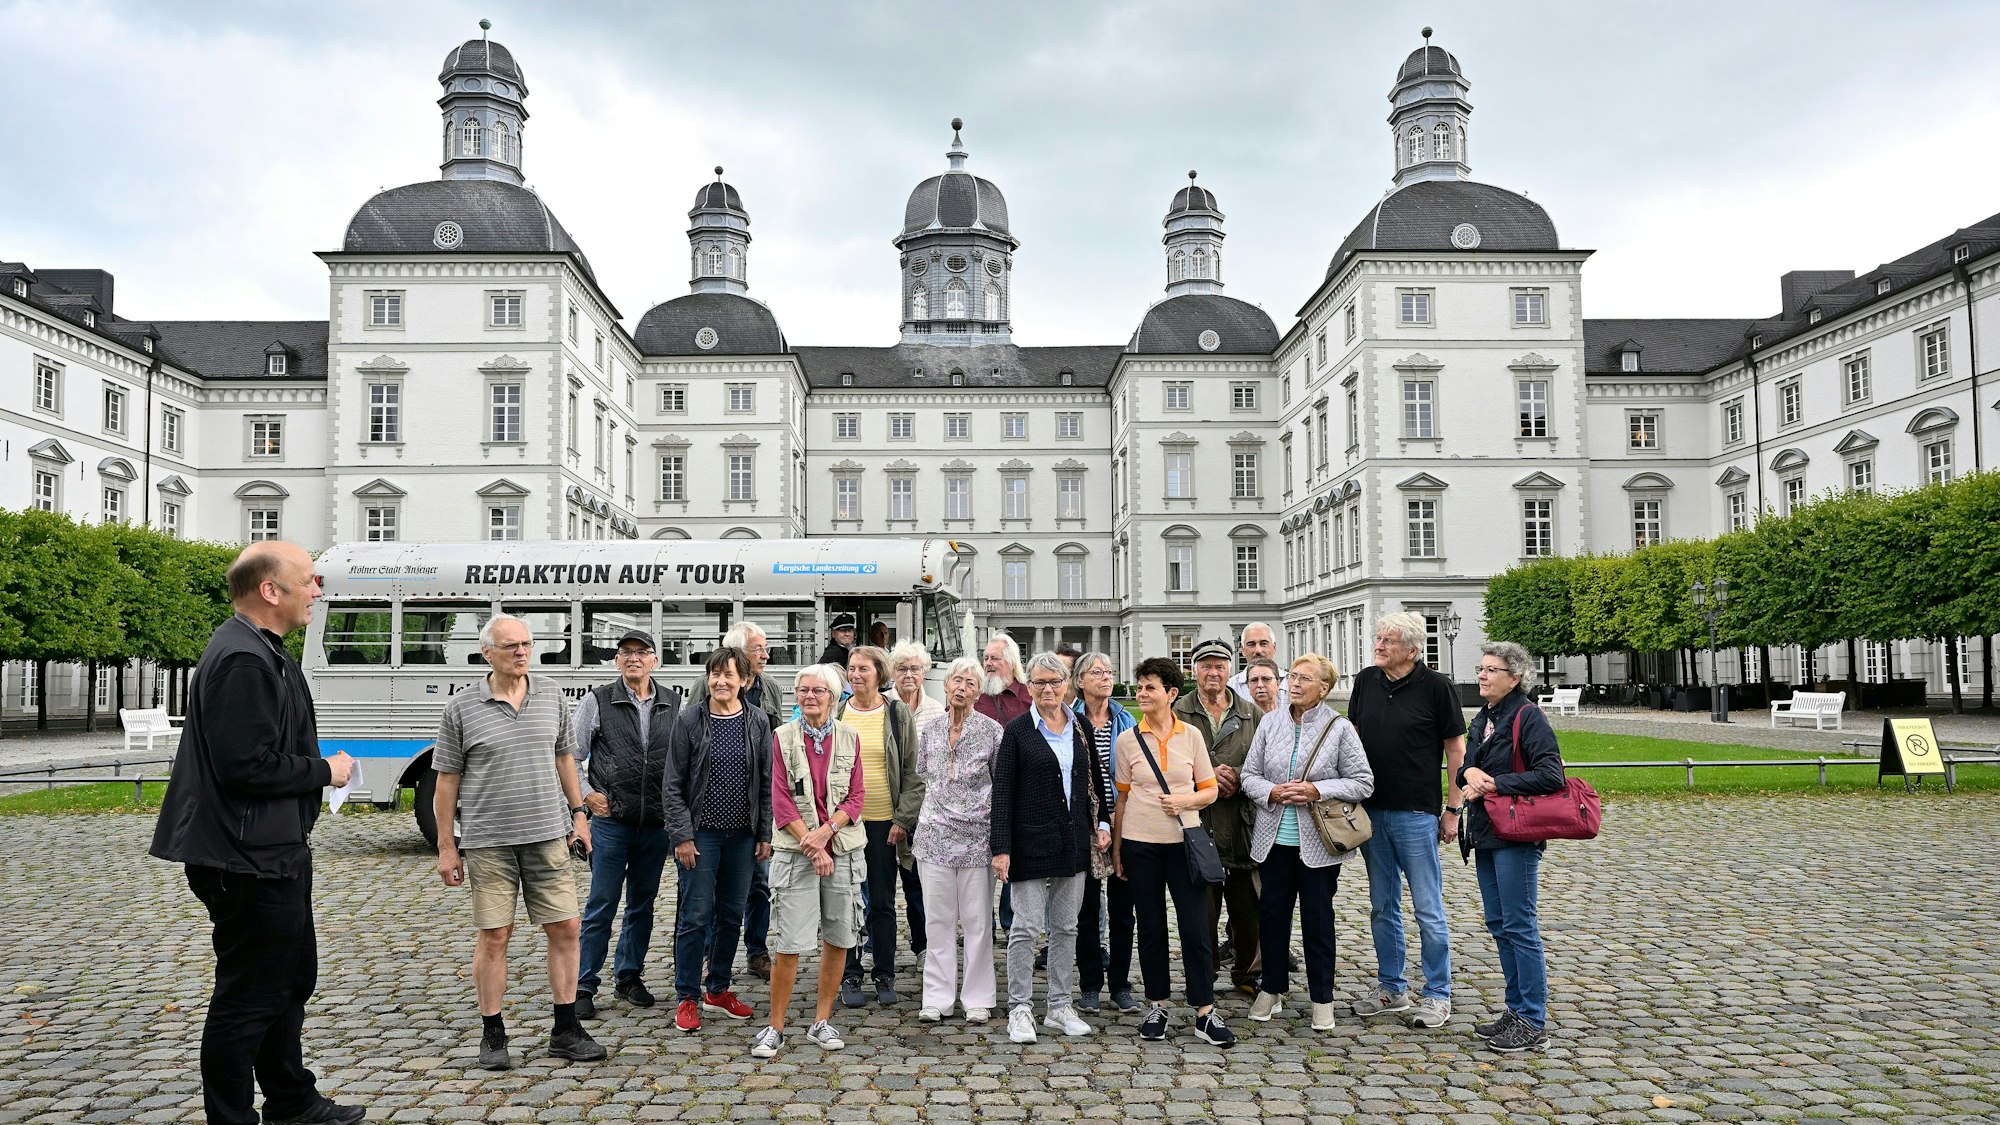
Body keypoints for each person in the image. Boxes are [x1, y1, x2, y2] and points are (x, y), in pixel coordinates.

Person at [149, 541, 363, 1125]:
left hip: (272, 848)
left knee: (291, 980)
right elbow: (246, 764)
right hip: (245, 855)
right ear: (271, 591)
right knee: (249, 997)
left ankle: (291, 1099)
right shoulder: (244, 657)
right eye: (310, 579)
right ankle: (232, 1116)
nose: (318, 588)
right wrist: (327, 771)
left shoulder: (263, 648)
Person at [431, 613, 605, 1070]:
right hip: (489, 841)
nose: (522, 652)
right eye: (511, 646)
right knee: (494, 935)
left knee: (566, 928)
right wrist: (447, 847)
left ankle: (566, 1028)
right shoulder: (462, 707)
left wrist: (579, 815)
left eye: (527, 644)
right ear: (487, 652)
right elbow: (446, 781)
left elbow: (566, 758)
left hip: (548, 834)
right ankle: (493, 1034)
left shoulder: (550, 695)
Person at [1346, 611, 1469, 1030]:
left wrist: (1453, 808)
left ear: (1413, 650)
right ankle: (1391, 988)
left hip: (1417, 813)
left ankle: (1437, 994)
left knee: (1428, 909)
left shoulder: (1436, 687)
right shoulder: (1366, 681)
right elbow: (1353, 740)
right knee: (1382, 907)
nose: (1378, 645)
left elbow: (1456, 750)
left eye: (1388, 641)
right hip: (1371, 811)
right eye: (1378, 638)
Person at [1241, 654, 1374, 1034]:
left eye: (1305, 679)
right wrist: (1270, 790)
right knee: (1272, 918)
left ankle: (1322, 998)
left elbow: (1363, 782)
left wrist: (1317, 789)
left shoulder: (1340, 728)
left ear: (1324, 689)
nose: (1294, 684)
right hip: (1274, 840)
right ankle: (1272, 988)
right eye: (1293, 677)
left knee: (1318, 922)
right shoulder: (1270, 722)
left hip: (1318, 845)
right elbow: (1250, 775)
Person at [1112, 656, 1234, 1048]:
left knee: (1197, 929)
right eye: (1140, 686)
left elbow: (1211, 789)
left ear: (1171, 694)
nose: (1142, 694)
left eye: (1150, 687)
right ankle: (1157, 1005)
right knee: (1150, 929)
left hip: (1186, 844)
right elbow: (1121, 800)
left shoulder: (1191, 736)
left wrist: (1184, 801)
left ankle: (1204, 1011)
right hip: (1140, 845)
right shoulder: (1128, 739)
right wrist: (1117, 851)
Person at [992, 651, 1108, 1044]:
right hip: (1028, 842)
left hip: (1072, 841)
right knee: (1024, 927)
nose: (1047, 689)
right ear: (1029, 686)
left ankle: (1060, 1005)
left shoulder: (1079, 727)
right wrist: (1001, 847)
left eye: (1054, 682)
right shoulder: (1018, 731)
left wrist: (1103, 824)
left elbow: (1095, 780)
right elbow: (1003, 792)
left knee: (1066, 927)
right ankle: (1020, 1008)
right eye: (1039, 682)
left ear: (1066, 685)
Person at [752, 665, 866, 1058]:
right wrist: (812, 845)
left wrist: (827, 833)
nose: (810, 697)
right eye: (803, 690)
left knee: (838, 936)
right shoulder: (781, 737)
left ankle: (821, 1020)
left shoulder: (849, 736)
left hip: (843, 849)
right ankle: (775, 1026)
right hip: (796, 851)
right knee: (789, 941)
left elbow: (856, 798)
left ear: (834, 698)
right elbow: (779, 800)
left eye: (819, 691)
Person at [1458, 641, 1567, 1053]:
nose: (1482, 675)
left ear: (1514, 677)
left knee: (1520, 925)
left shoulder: (1528, 717)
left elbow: (1551, 775)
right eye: (1481, 668)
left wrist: (1497, 783)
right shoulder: (1484, 717)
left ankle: (1532, 1020)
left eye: (1491, 670)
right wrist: (1469, 770)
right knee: (1499, 923)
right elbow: (1466, 770)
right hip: (1486, 831)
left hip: (1517, 835)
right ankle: (1516, 1008)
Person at [662, 646, 774, 1034]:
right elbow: (673, 784)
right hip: (701, 836)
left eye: (729, 675)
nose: (721, 681)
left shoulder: (757, 721)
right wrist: (682, 835)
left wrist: (764, 834)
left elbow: (765, 783)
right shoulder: (690, 720)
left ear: (745, 680)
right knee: (695, 916)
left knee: (731, 914)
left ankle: (719, 989)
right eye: (715, 674)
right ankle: (687, 996)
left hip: (742, 837)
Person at [572, 629, 680, 1019]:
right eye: (626, 652)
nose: (633, 658)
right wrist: (586, 796)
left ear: (655, 660)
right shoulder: (597, 700)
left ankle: (629, 976)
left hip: (655, 822)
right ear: (616, 660)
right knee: (601, 903)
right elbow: (572, 755)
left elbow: (680, 761)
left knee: (642, 905)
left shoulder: (674, 702)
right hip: (611, 820)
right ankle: (583, 983)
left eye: (642, 652)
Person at [912, 657, 1003, 1022]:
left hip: (977, 839)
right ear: (946, 687)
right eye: (956, 681)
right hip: (934, 837)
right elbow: (923, 775)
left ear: (979, 691)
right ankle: (937, 997)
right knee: (937, 920)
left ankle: (978, 997)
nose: (962, 687)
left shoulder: (993, 731)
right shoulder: (931, 730)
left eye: (970, 682)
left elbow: (1001, 783)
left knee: (978, 922)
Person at [695, 622, 786, 982]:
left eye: (765, 648)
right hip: (711, 814)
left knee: (759, 886)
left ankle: (756, 950)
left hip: (753, 809)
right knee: (707, 891)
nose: (765, 654)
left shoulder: (771, 688)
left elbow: (776, 745)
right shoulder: (705, 687)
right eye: (757, 649)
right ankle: (708, 956)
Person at [836, 645, 925, 1007]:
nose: (856, 675)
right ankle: (850, 974)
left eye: (863, 669)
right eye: (851, 668)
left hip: (883, 824)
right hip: (844, 823)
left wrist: (902, 819)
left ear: (879, 673)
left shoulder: (896, 712)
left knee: (883, 901)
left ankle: (884, 974)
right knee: (844, 901)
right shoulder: (838, 710)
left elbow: (913, 772)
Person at [1175, 639, 1262, 996]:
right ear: (1194, 670)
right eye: (1206, 665)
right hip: (1197, 821)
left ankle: (1247, 973)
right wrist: (1209, 775)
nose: (1213, 672)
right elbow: (1166, 758)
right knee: (1201, 908)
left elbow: (1263, 758)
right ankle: (1203, 975)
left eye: (1220, 666)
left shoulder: (1249, 711)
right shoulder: (1179, 711)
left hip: (1241, 822)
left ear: (1230, 670)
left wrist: (1238, 775)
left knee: (1248, 907)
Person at [1070, 651, 1138, 1014]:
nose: (1105, 678)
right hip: (1085, 826)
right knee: (1086, 908)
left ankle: (1121, 984)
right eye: (1096, 672)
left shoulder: (1125, 721)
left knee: (1124, 910)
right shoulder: (1070, 721)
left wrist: (1115, 821)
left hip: (1126, 823)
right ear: (1080, 681)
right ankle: (1090, 983)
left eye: (1109, 671)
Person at [976, 635, 1032, 727]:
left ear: (1012, 663)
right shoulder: (974, 697)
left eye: (994, 658)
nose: (988, 663)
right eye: (986, 658)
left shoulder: (1030, 696)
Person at [889, 641, 946, 731]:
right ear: (892, 673)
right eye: (902, 669)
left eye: (914, 669)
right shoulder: (881, 705)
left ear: (923, 673)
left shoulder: (937, 711)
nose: (908, 675)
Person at [1228, 623, 1285, 704]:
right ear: (1243, 650)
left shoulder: (1292, 684)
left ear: (1274, 647)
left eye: (1264, 643)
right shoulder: (1230, 688)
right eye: (1251, 644)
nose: (1258, 650)